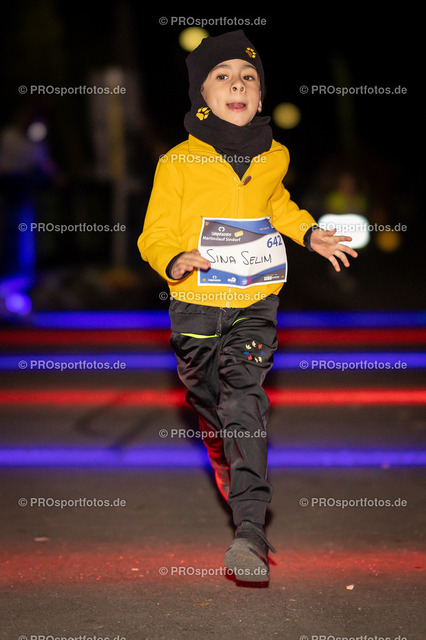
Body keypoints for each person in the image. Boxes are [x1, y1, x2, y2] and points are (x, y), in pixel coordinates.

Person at [137, 30, 357, 584]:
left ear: (260, 96)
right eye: (223, 76)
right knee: (210, 403)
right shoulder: (178, 162)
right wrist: (173, 259)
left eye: (248, 77)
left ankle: (250, 531)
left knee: (245, 403)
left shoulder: (274, 156)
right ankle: (217, 444)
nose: (237, 84)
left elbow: (277, 204)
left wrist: (309, 233)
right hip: (195, 308)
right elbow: (152, 232)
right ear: (201, 94)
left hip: (256, 301)